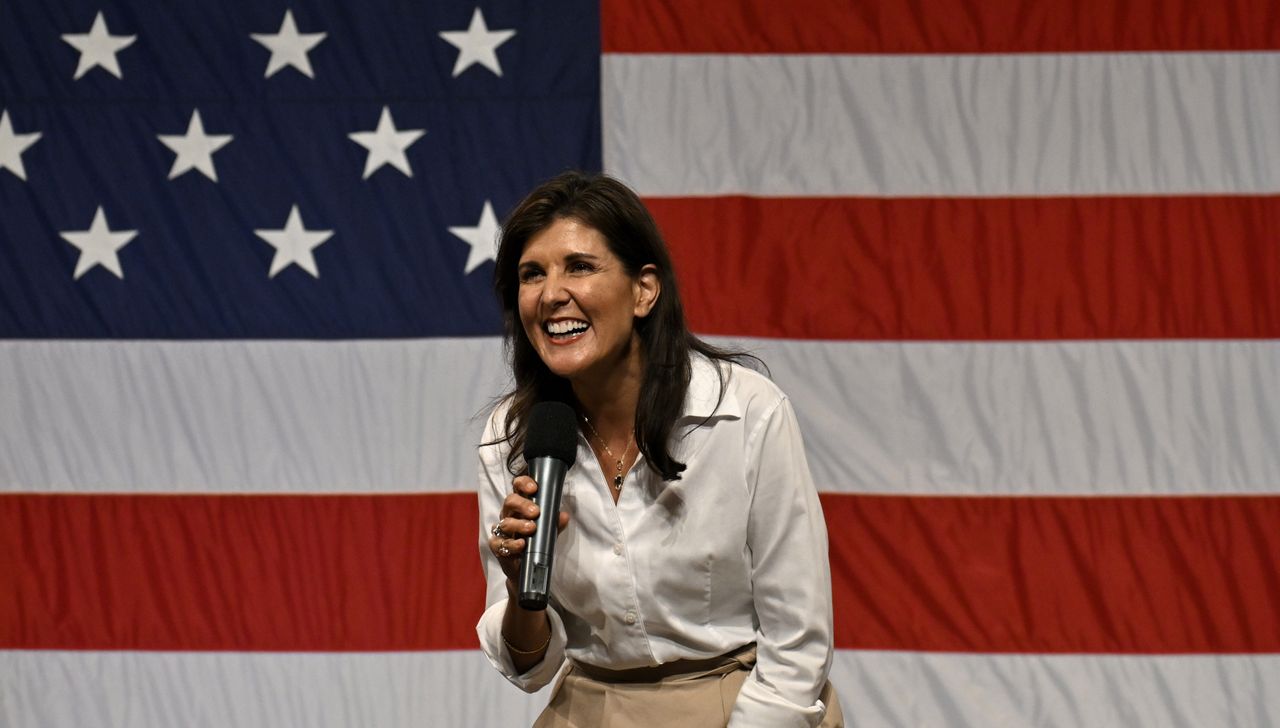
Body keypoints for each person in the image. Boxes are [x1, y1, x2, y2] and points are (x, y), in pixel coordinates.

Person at [476, 171, 841, 727]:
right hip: (590, 708)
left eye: (579, 266)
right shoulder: (514, 437)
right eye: (532, 275)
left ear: (644, 290)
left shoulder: (746, 411)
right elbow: (530, 669)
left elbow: (797, 638)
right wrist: (521, 589)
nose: (551, 295)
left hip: (744, 702)